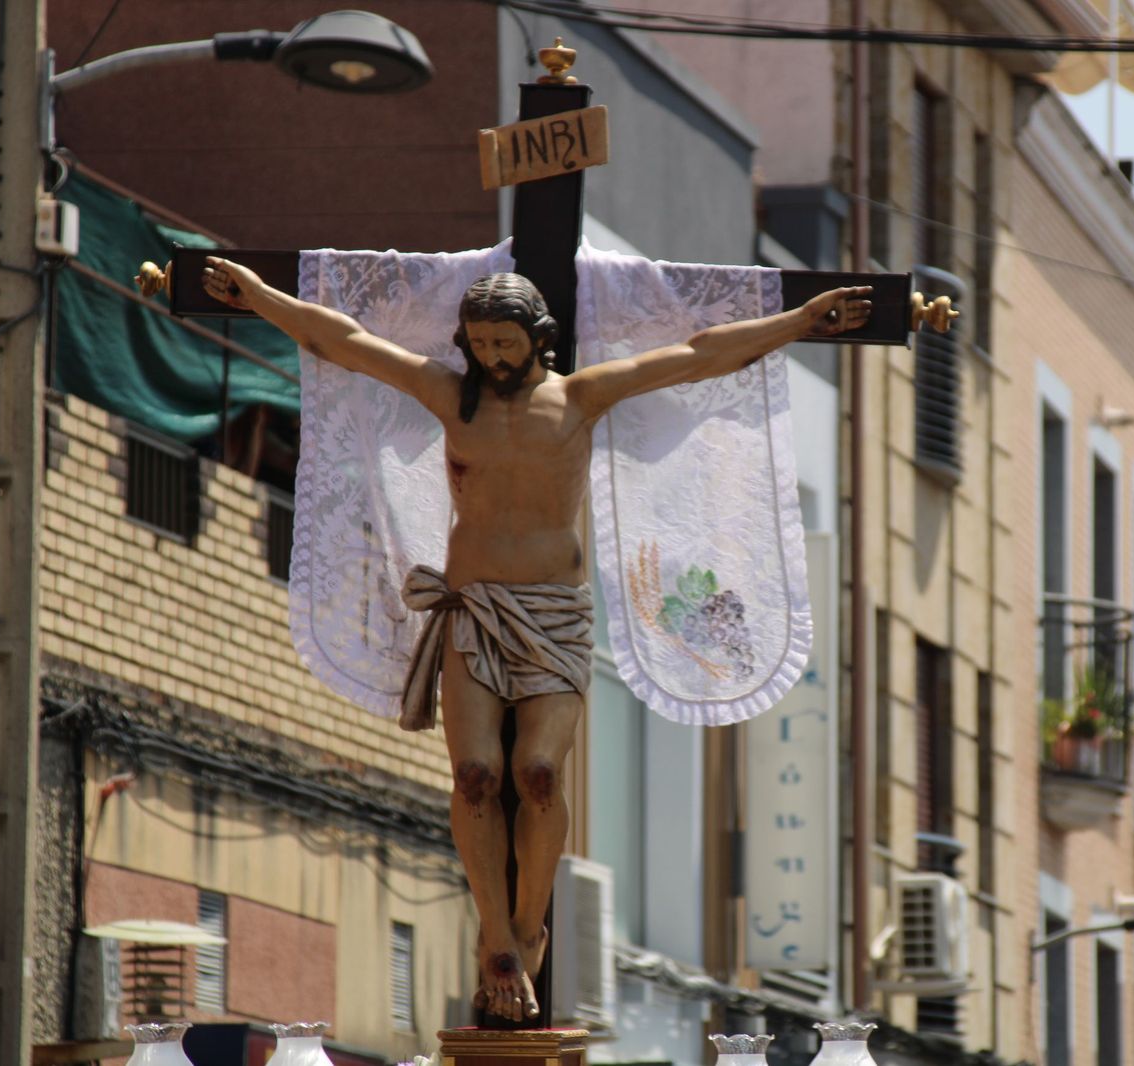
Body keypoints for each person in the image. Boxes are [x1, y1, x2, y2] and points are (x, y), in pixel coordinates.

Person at [200, 256, 871, 1022]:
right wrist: (259, 296)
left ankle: (527, 926)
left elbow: (697, 355)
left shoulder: (579, 398)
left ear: (538, 338)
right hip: (475, 611)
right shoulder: (449, 395)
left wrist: (800, 321)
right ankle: (496, 933)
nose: (492, 356)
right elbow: (344, 341)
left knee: (540, 773)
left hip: (553, 615)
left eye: (505, 342)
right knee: (476, 776)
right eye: (481, 342)